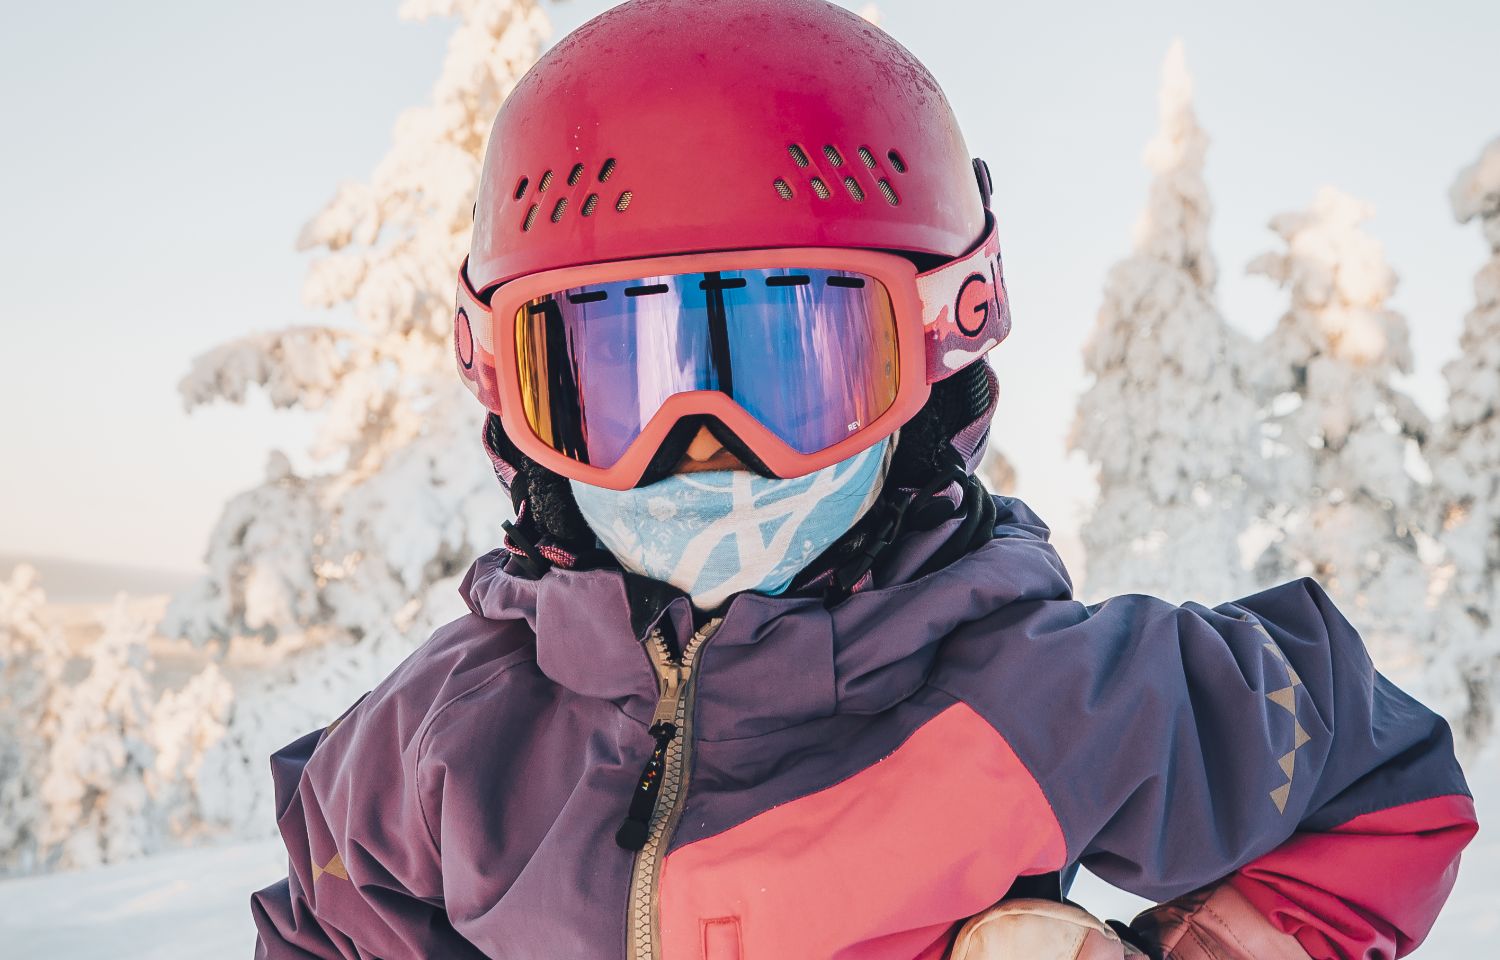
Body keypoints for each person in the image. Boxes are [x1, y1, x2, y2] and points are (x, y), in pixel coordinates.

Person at [251, 1, 1478, 958]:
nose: (705, 447)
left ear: (933, 362)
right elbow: (327, 920)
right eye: (620, 382)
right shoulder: (444, 741)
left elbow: (1379, 782)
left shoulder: (1049, 698)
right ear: (513, 400)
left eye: (793, 367)